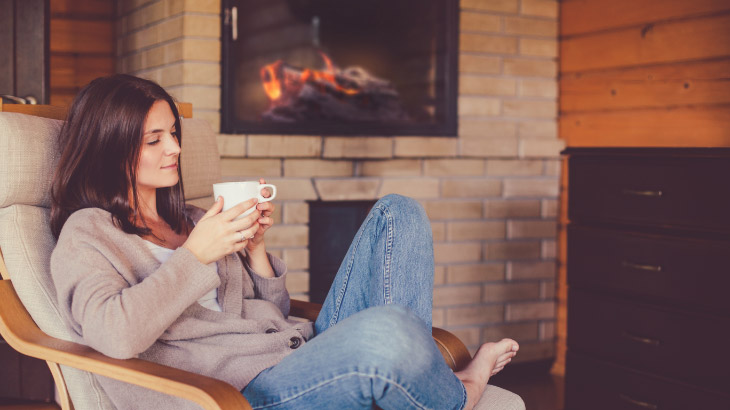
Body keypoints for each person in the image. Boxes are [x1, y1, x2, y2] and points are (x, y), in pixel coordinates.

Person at [49, 74, 518, 410]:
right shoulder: (88, 234)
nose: (174, 148)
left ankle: (407, 383)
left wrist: (255, 251)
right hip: (238, 392)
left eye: (173, 133)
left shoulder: (191, 218)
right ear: (110, 146)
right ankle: (462, 389)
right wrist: (196, 256)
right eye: (154, 139)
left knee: (400, 212)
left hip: (296, 350)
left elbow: (270, 309)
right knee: (390, 329)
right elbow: (113, 334)